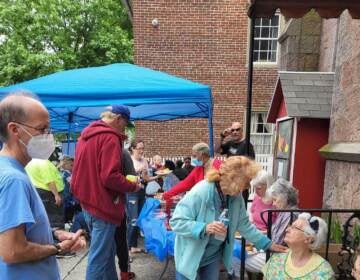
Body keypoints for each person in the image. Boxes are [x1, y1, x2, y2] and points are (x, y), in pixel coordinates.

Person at [0, 93, 85, 280]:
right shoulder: (13, 179)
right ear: (14, 129)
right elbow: (12, 250)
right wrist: (57, 248)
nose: (49, 136)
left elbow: (9, 229)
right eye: (42, 129)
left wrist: (54, 234)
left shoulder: (9, 169)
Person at [170, 156, 287, 280]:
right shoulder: (200, 192)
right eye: (245, 182)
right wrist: (205, 227)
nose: (247, 186)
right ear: (232, 179)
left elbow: (244, 225)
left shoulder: (235, 196)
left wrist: (267, 244)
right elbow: (176, 222)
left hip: (212, 257)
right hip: (190, 256)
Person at [71, 105, 140, 280]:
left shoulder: (84, 137)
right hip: (103, 205)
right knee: (98, 258)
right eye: (125, 124)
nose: (124, 129)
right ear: (118, 119)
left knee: (107, 254)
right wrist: (133, 186)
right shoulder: (109, 137)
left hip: (88, 203)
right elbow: (110, 177)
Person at [236, 178, 299, 276]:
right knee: (239, 248)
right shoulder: (285, 212)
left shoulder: (290, 214)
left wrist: (257, 244)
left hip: (277, 256)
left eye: (275, 200)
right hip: (273, 252)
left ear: (285, 197)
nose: (273, 204)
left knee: (238, 259)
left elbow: (277, 242)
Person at [262, 213, 335, 279]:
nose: (287, 229)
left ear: (308, 239)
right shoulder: (277, 259)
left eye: (294, 228)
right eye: (290, 226)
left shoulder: (323, 270)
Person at [162, 142, 222, 211]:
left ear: (202, 154)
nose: (193, 159)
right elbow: (185, 184)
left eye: (194, 156)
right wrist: (167, 194)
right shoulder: (198, 168)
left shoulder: (218, 165)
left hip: (218, 204)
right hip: (204, 205)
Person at [127, 139, 159, 254]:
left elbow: (146, 179)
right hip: (131, 192)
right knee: (133, 220)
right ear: (133, 149)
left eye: (143, 148)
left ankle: (134, 246)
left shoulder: (145, 161)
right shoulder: (129, 160)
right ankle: (129, 247)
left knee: (141, 218)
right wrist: (136, 171)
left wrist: (158, 176)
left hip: (141, 191)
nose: (141, 150)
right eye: (139, 148)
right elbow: (124, 177)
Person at [215, 122, 255, 202]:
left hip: (241, 183)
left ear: (242, 131)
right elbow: (217, 150)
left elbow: (251, 165)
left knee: (239, 207)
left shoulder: (247, 145)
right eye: (232, 130)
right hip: (229, 180)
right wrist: (222, 136)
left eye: (237, 130)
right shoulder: (230, 143)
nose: (235, 132)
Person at [26, 158, 65, 229]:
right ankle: (56, 237)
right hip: (50, 194)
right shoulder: (44, 163)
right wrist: (56, 195)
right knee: (55, 219)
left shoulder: (30, 161)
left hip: (39, 191)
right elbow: (50, 181)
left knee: (45, 217)